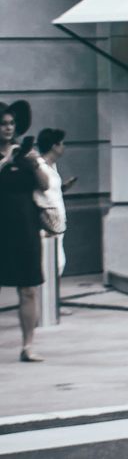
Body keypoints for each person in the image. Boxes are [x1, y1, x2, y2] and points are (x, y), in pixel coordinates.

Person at [0, 100, 47, 361]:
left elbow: (45, 186)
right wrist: (6, 161)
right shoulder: (6, 157)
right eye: (3, 124)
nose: (8, 128)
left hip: (25, 230)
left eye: (11, 124)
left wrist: (35, 163)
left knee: (29, 289)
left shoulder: (24, 154)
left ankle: (28, 345)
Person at [33, 128, 73, 276]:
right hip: (47, 227)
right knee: (48, 266)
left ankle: (52, 298)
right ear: (54, 146)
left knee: (58, 264)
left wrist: (63, 188)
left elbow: (50, 192)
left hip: (58, 224)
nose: (64, 147)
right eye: (61, 143)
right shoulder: (39, 167)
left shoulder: (52, 166)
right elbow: (36, 195)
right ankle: (46, 299)